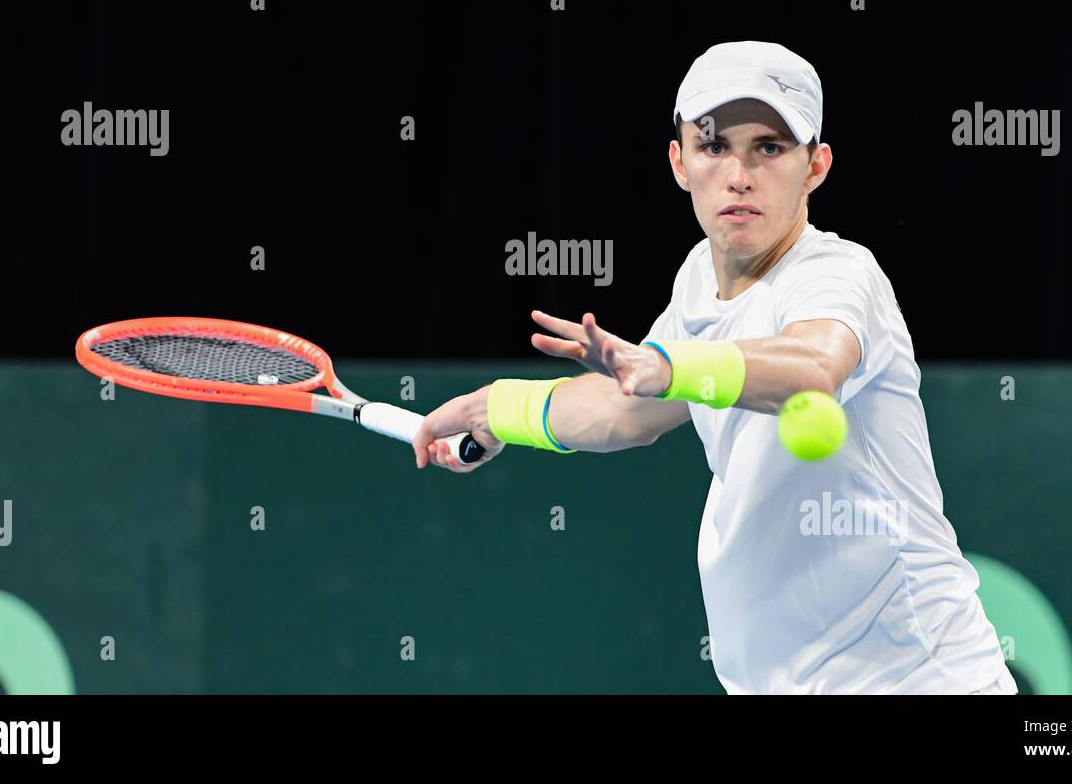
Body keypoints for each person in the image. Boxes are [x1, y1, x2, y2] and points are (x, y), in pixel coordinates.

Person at [412, 40, 1017, 695]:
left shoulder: (839, 274)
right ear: (679, 161)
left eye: (769, 147)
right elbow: (625, 410)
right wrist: (498, 411)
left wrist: (672, 367)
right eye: (714, 145)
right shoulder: (699, 280)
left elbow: (815, 366)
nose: (739, 174)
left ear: (816, 166)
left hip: (917, 682)